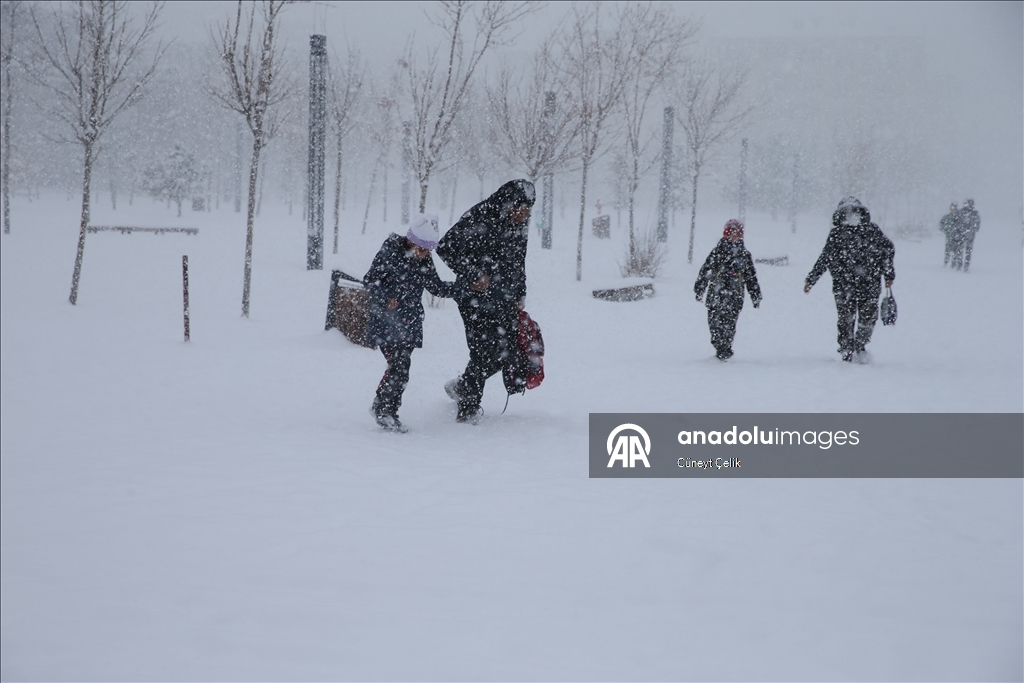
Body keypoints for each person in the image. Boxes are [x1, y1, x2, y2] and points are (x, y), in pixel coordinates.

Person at [436, 179, 535, 423]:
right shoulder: (479, 218)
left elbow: (518, 260)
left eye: (527, 212)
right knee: (483, 352)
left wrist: (519, 293)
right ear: (508, 203)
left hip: (504, 298)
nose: (523, 216)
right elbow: (446, 247)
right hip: (474, 299)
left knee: (506, 352)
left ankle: (463, 386)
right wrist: (473, 274)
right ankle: (467, 411)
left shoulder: (518, 224)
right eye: (519, 210)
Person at [363, 214, 463, 432]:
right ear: (411, 239)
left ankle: (383, 407)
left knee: (401, 368)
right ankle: (385, 411)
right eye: (420, 248)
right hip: (386, 320)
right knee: (398, 367)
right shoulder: (391, 251)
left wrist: (464, 288)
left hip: (409, 322)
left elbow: (436, 287)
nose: (423, 254)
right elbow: (370, 280)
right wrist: (386, 295)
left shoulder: (425, 260)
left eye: (427, 250)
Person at [804, 197, 895, 363]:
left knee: (867, 318)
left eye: (855, 212)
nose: (852, 216)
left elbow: (887, 250)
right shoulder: (837, 234)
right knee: (846, 319)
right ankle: (847, 349)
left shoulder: (872, 231)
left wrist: (889, 274)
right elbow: (825, 258)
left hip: (869, 284)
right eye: (847, 212)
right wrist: (812, 278)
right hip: (844, 285)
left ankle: (859, 346)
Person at [694, 219, 762, 360]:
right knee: (714, 324)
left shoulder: (744, 256)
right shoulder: (717, 252)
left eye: (738, 235)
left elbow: (751, 277)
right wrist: (699, 288)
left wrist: (755, 295)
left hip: (734, 297)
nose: (735, 237)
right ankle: (719, 345)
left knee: (729, 325)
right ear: (726, 235)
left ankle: (725, 348)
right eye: (732, 234)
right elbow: (705, 271)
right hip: (716, 296)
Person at [959, 198, 980, 272]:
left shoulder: (975, 213)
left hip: (970, 235)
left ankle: (966, 266)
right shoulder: (961, 212)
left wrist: (973, 230)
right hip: (961, 234)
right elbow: (958, 222)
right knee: (960, 250)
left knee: (968, 251)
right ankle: (959, 264)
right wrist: (961, 230)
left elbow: (977, 224)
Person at [939, 202, 959, 267]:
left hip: (957, 237)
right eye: (951, 208)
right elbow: (941, 225)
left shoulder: (959, 217)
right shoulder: (946, 217)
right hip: (948, 236)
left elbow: (962, 226)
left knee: (955, 251)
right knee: (947, 250)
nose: (952, 209)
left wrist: (958, 231)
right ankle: (946, 262)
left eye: (954, 208)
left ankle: (954, 264)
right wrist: (946, 230)